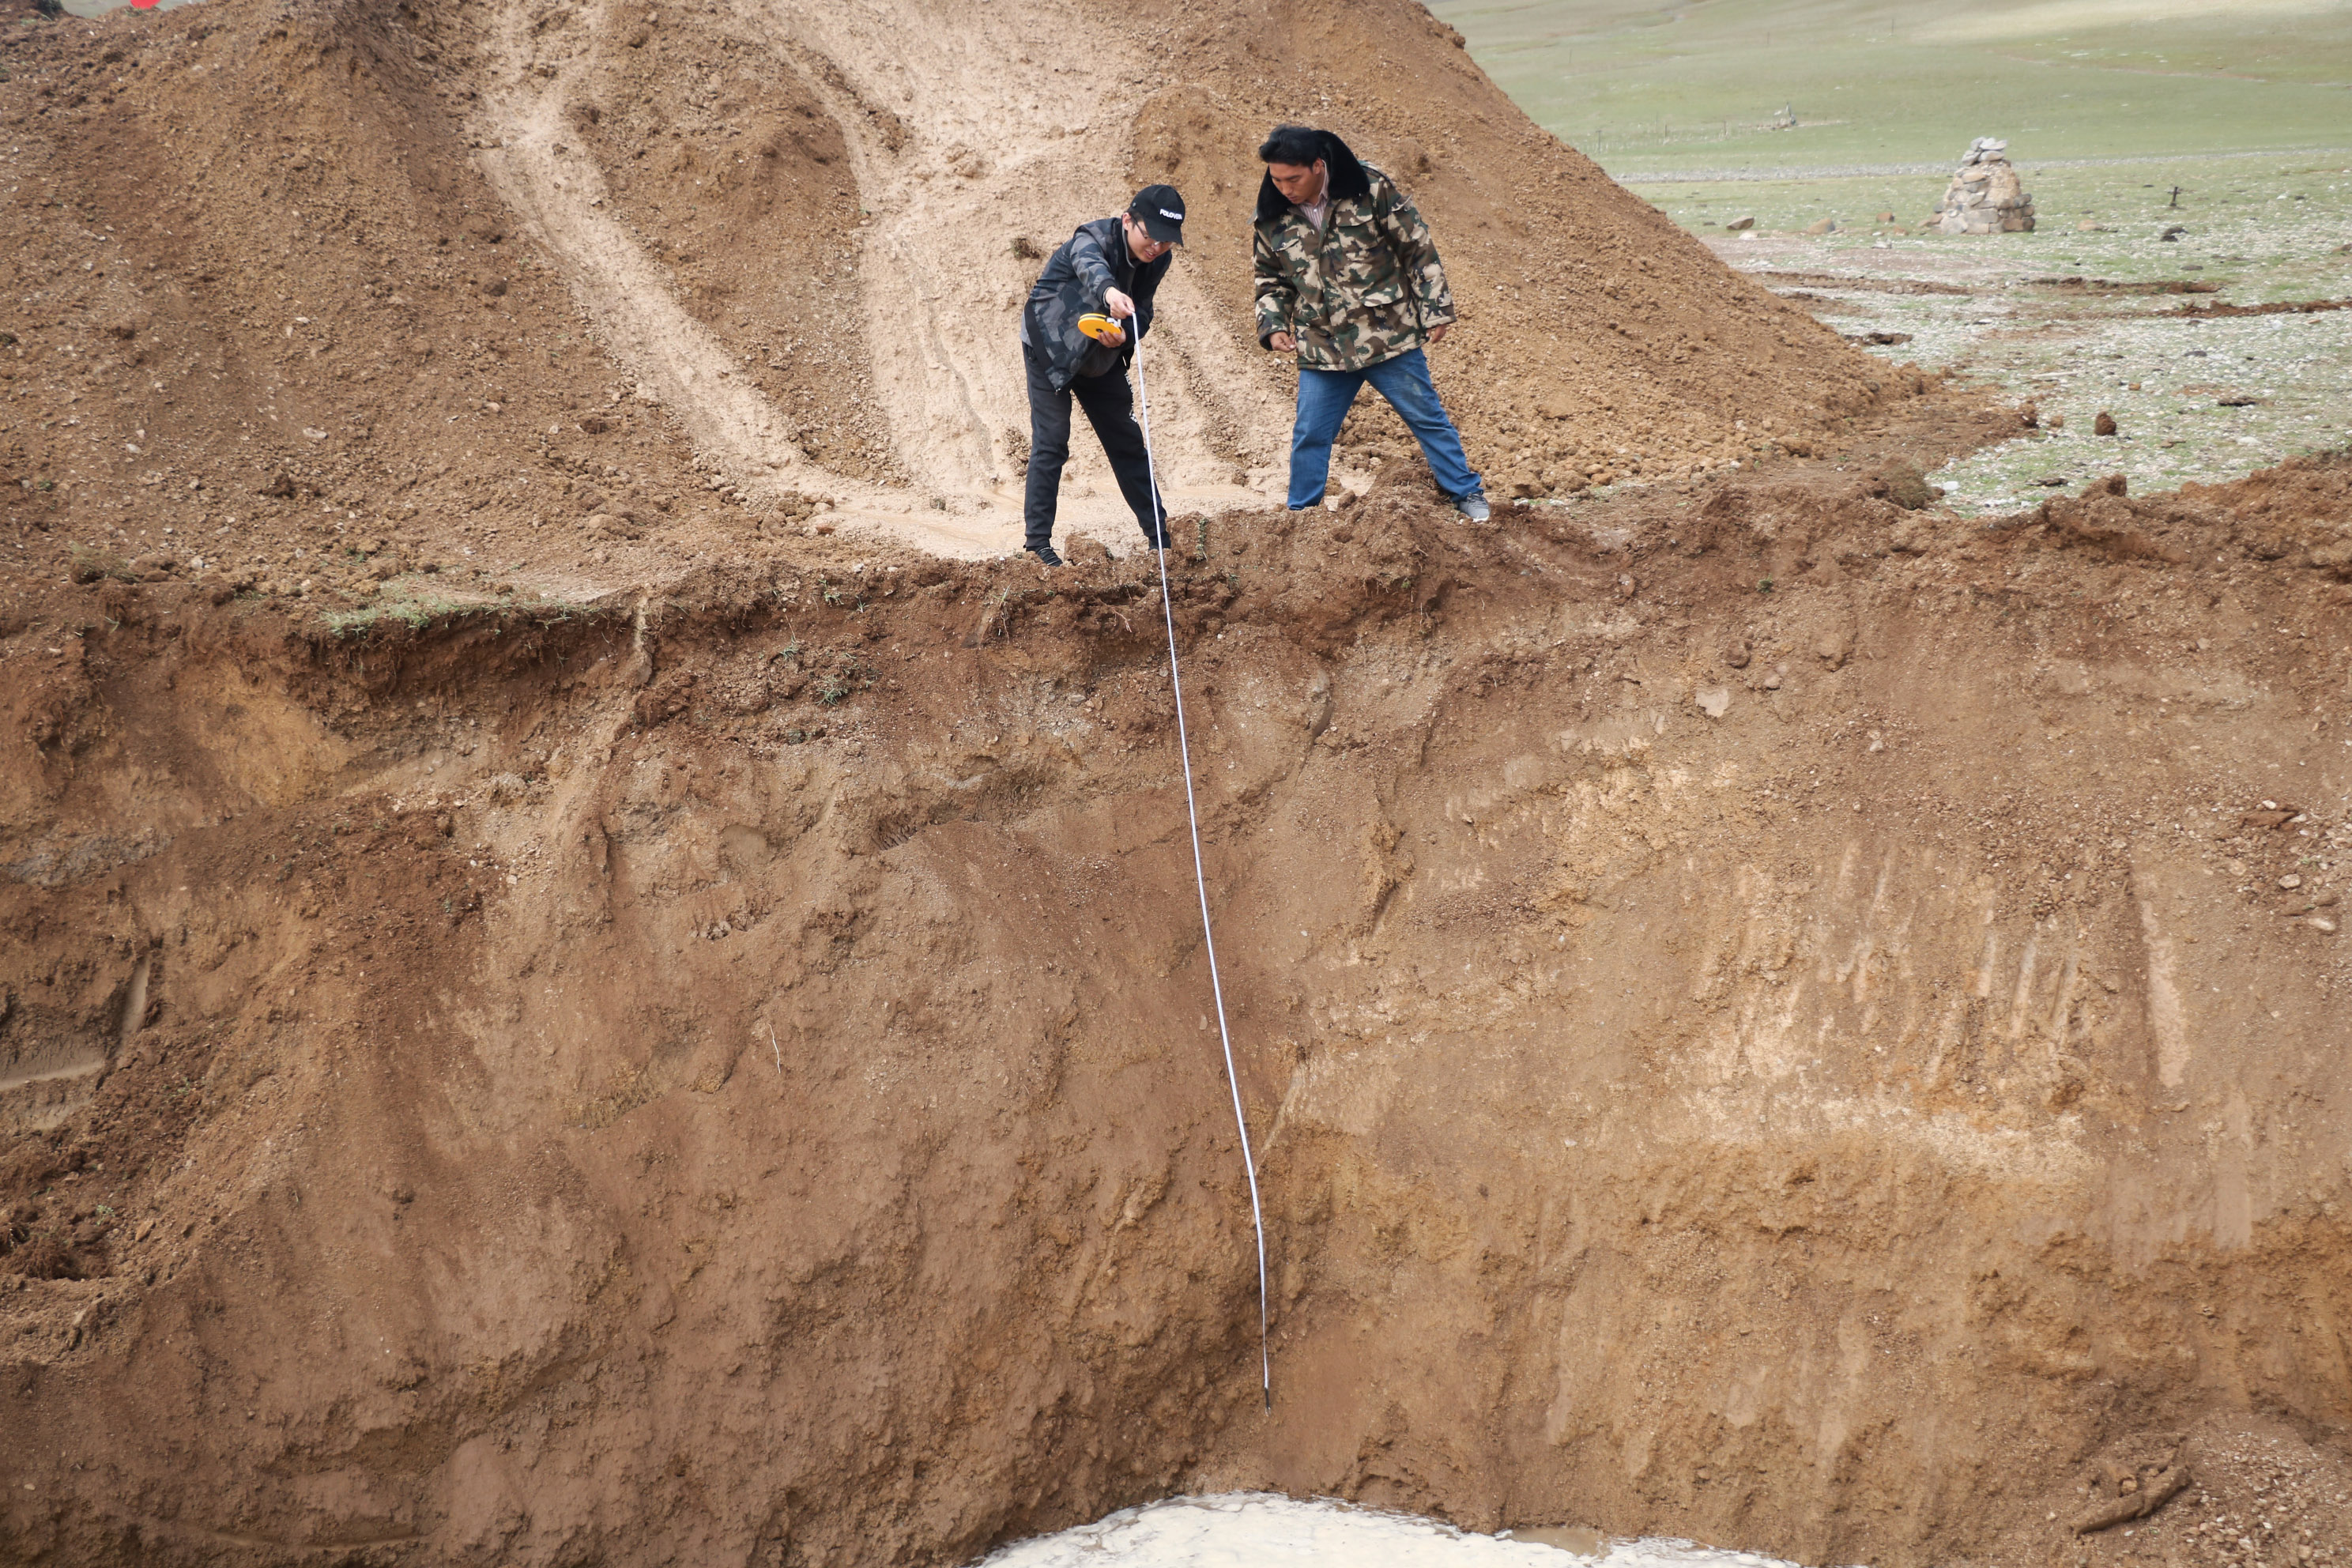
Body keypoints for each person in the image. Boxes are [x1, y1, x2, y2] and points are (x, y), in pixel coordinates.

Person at [1252, 125, 1487, 522]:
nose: (1285, 188)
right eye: (1276, 179)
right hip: (1323, 344)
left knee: (1426, 418)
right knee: (1310, 435)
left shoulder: (1370, 189)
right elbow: (1270, 279)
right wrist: (1273, 324)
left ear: (1318, 166)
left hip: (1386, 334)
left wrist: (1435, 309)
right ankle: (1301, 517)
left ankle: (1465, 493)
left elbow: (1416, 247)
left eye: (1293, 178)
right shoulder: (1271, 217)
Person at [1018, 185, 1187, 566]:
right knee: (1052, 441)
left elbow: (1143, 310)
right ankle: (1037, 546)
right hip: (1050, 347)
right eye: (1151, 236)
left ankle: (1160, 538)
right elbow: (1090, 268)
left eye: (1166, 242)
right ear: (1129, 220)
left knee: (1126, 442)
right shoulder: (1092, 237)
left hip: (1099, 354)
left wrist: (1126, 334)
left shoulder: (1157, 259)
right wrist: (1111, 294)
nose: (1157, 247)